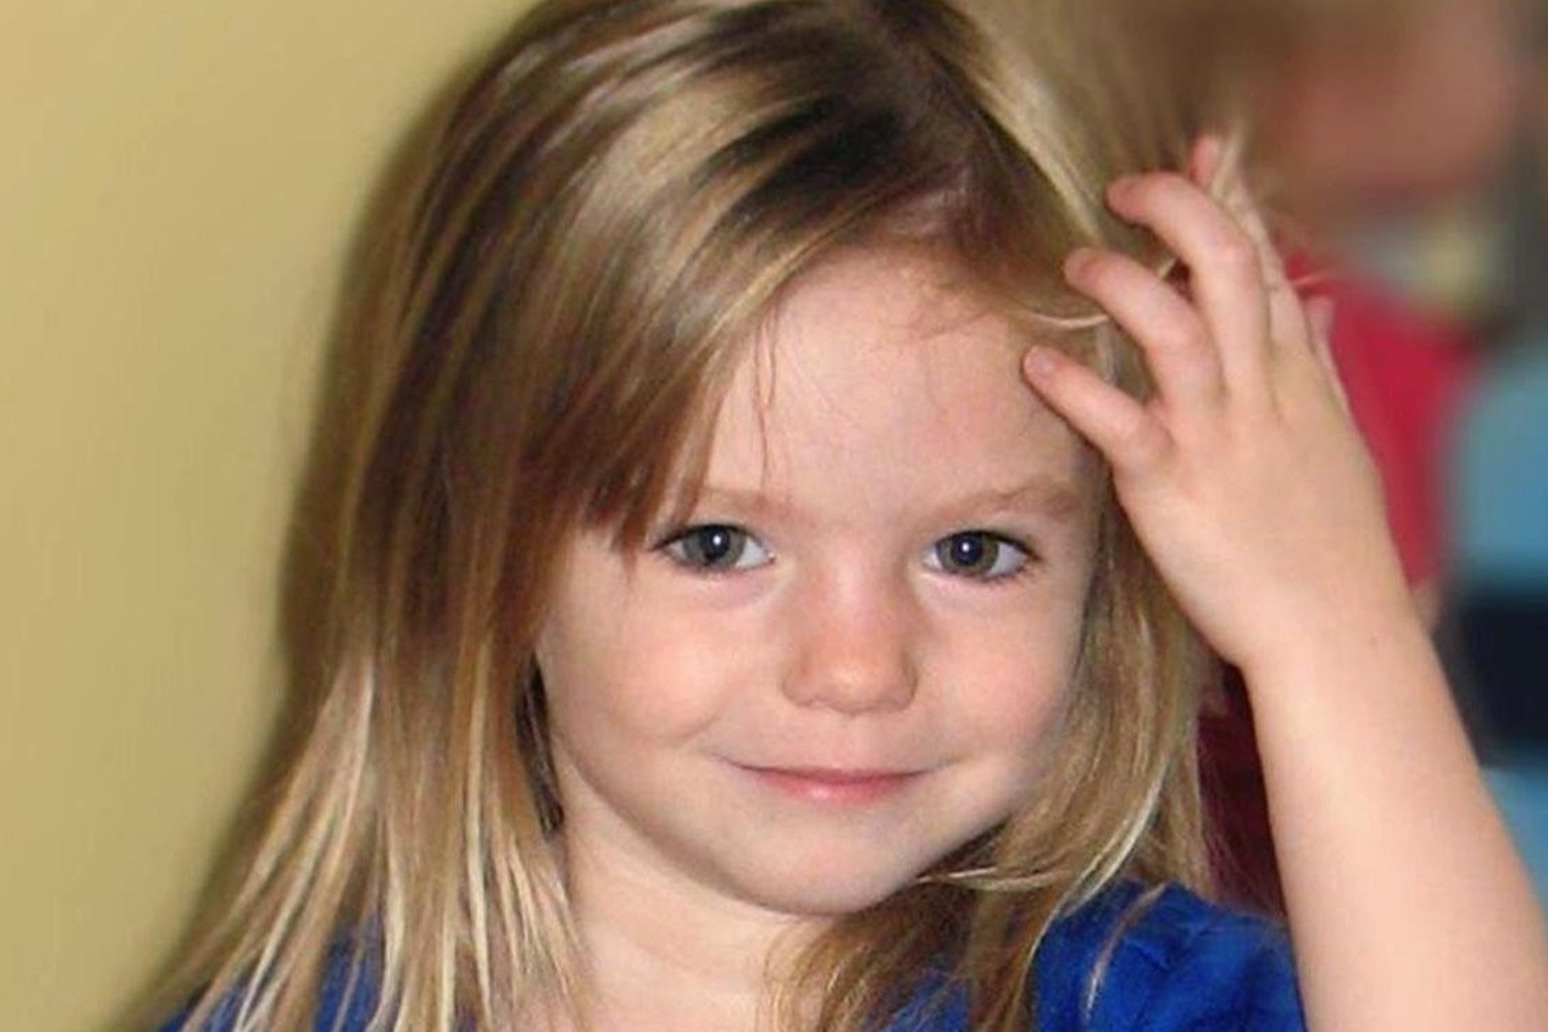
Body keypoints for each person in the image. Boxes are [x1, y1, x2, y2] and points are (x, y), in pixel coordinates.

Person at [150, 1, 1548, 1030]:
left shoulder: (1126, 1001)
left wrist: (1329, 628)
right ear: (481, 550)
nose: (857, 667)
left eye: (973, 552)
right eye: (717, 544)